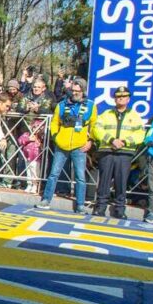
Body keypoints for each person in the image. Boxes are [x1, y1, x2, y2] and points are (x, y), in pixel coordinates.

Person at [35, 79, 94, 212]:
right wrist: (56, 136)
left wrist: (90, 140)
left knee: (80, 176)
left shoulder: (90, 105)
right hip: (62, 144)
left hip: (80, 146)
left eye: (78, 91)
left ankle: (80, 204)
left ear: (83, 91)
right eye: (73, 91)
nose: (75, 93)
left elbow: (94, 124)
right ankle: (46, 199)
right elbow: (55, 122)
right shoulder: (61, 105)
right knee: (54, 173)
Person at [89, 85, 145, 218]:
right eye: (118, 97)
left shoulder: (134, 116)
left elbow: (140, 134)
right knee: (104, 181)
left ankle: (120, 209)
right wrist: (111, 140)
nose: (121, 99)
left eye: (124, 96)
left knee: (121, 182)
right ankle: (100, 207)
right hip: (107, 151)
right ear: (114, 99)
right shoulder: (106, 114)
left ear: (128, 99)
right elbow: (97, 129)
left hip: (124, 153)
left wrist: (124, 142)